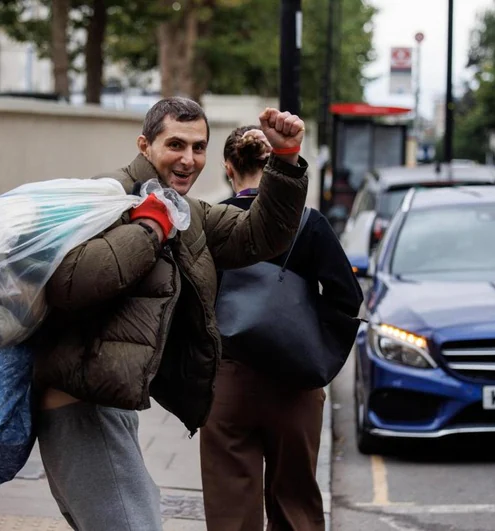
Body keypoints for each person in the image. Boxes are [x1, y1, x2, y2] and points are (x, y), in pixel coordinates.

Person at [28, 98, 310, 531]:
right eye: (175, 144)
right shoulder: (108, 195)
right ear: (145, 145)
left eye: (199, 148)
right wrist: (150, 229)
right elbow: (69, 283)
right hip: (78, 406)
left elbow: (260, 235)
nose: (188, 159)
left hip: (110, 404)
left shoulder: (188, 213)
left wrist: (286, 161)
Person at [200, 125, 364, 531]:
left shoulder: (211, 222)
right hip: (296, 379)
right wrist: (315, 344)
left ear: (227, 167)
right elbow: (348, 296)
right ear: (274, 164)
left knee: (230, 505)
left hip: (228, 378)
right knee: (295, 501)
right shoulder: (310, 223)